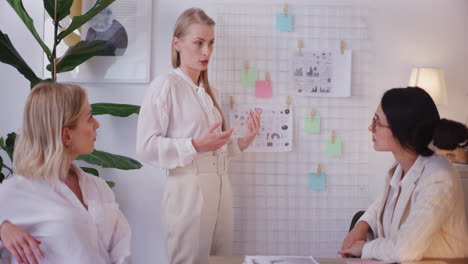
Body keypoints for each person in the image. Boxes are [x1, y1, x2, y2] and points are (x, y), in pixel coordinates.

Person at [136, 8, 261, 264]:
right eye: (199, 43)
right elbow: (146, 147)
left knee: (221, 260)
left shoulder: (209, 91)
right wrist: (193, 145)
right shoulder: (165, 85)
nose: (207, 52)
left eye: (211, 43)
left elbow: (212, 148)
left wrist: (241, 143)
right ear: (177, 44)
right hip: (188, 190)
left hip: (221, 187)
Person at [0, 83, 132, 264]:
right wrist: (3, 228)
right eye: (89, 118)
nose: (97, 124)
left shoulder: (98, 187)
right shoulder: (14, 191)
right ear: (66, 135)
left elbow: (121, 250)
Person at [339, 87, 468, 262]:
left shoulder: (439, 177)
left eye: (377, 121)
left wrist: (364, 248)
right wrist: (361, 225)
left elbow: (403, 250)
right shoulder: (401, 168)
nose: (371, 127)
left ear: (401, 130)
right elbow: (384, 204)